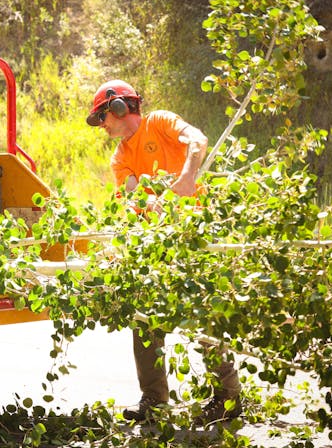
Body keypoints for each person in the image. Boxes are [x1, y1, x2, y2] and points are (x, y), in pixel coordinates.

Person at [86, 79, 241, 424]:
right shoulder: (120, 157)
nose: (104, 126)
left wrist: (187, 176)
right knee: (145, 322)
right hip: (156, 243)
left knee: (204, 319)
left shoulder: (160, 122)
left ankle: (229, 399)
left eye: (104, 117)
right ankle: (154, 401)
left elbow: (197, 139)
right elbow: (133, 192)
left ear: (120, 108)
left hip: (196, 236)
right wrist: (153, 202)